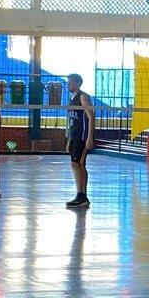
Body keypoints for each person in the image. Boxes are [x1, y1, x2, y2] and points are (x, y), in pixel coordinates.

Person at [65, 73, 95, 210]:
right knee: (79, 164)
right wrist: (69, 140)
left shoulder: (83, 97)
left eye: (70, 82)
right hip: (75, 135)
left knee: (77, 163)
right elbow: (72, 121)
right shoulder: (71, 98)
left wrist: (89, 137)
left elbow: (91, 117)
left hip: (82, 135)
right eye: (67, 82)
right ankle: (82, 196)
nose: (68, 84)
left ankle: (81, 196)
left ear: (78, 83)